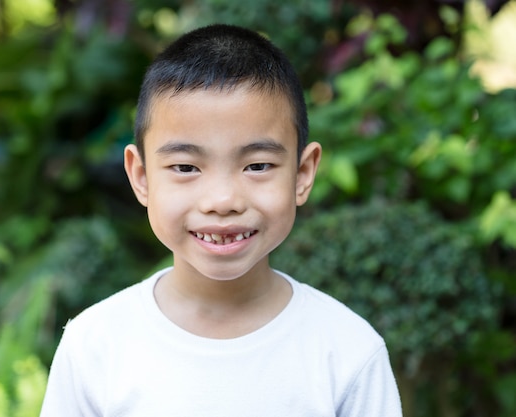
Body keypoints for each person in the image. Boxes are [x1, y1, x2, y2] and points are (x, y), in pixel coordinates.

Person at [40, 24, 402, 416]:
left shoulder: (347, 352)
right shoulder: (96, 346)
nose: (223, 200)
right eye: (185, 167)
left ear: (302, 174)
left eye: (258, 165)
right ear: (141, 177)